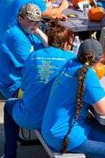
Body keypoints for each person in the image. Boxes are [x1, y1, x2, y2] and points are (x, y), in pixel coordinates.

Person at [41, 38, 105, 158]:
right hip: (64, 136)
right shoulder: (88, 75)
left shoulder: (70, 63)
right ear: (98, 61)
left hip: (50, 128)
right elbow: (104, 110)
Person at [6, 23, 76, 158]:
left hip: (30, 117)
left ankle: (9, 154)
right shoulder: (72, 61)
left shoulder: (33, 56)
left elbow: (24, 86)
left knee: (9, 105)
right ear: (66, 44)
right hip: (57, 120)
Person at [0, 2, 48, 95]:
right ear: (20, 19)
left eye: (37, 22)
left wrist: (38, 32)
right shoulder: (16, 37)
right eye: (31, 21)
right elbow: (33, 68)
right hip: (13, 87)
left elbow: (48, 49)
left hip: (22, 79)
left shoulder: (28, 31)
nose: (34, 25)